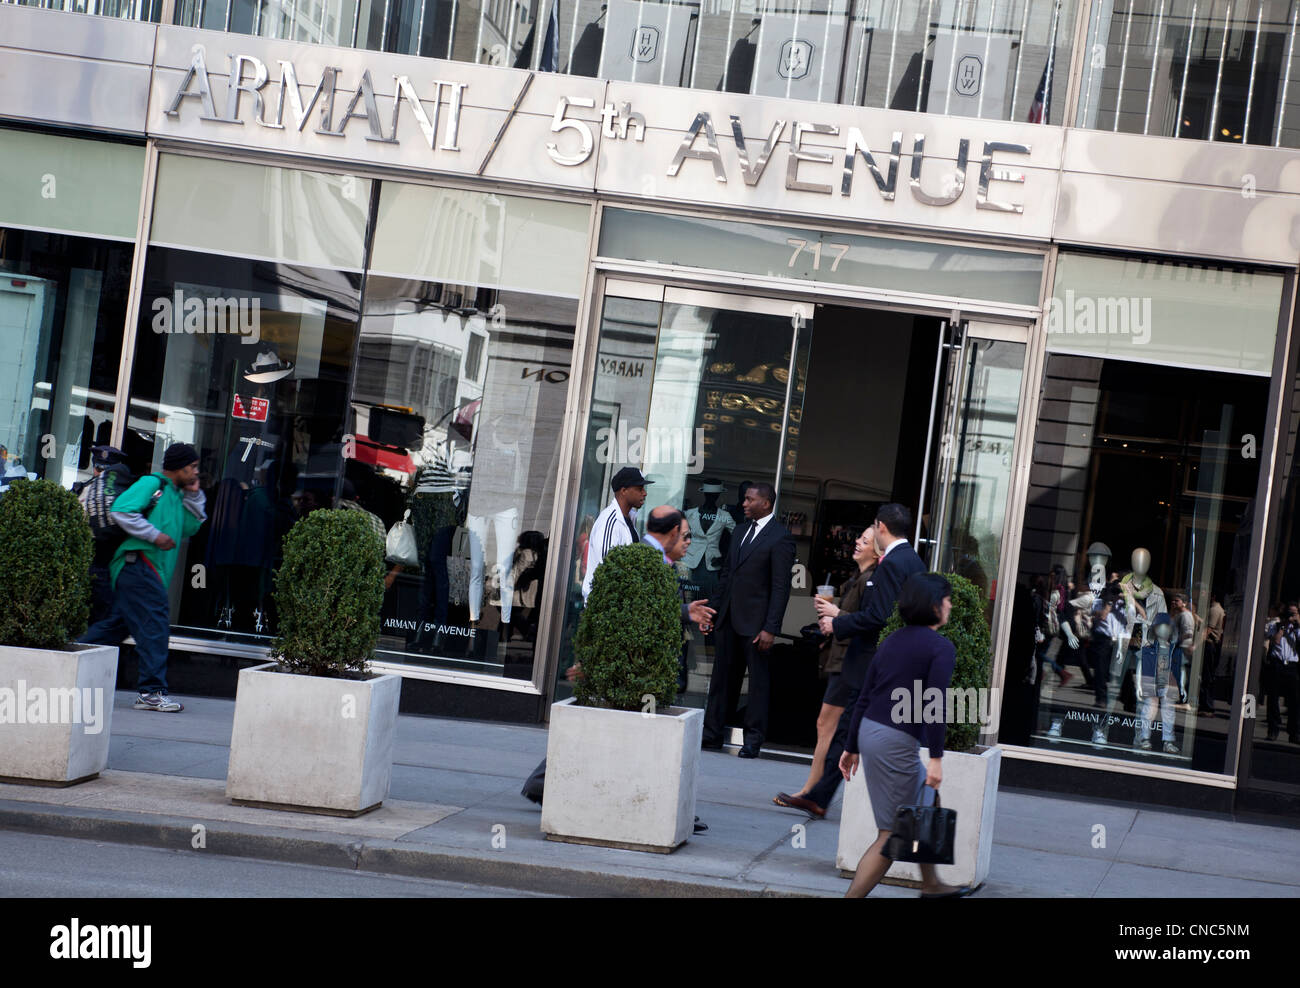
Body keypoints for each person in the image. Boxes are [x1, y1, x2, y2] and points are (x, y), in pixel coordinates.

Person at [780, 503, 925, 817]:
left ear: (881, 527)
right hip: (891, 659)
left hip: (870, 660)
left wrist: (838, 623)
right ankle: (819, 794)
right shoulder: (914, 561)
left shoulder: (891, 564)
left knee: (849, 728)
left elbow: (879, 616)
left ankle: (823, 796)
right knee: (851, 729)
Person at [838, 572, 971, 899]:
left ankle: (931, 884)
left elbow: (865, 696)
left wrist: (852, 746)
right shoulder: (940, 648)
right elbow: (936, 705)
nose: (951, 605)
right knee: (891, 833)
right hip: (894, 741)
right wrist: (937, 760)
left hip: (873, 732)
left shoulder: (892, 640)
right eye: (947, 599)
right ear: (934, 605)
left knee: (927, 802)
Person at [81, 443, 207, 713]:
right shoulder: (152, 483)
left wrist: (195, 497)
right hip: (137, 564)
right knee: (155, 625)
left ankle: (67, 660)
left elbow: (190, 526)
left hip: (143, 569)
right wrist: (154, 535)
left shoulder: (175, 494)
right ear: (180, 466)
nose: (197, 472)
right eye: (193, 467)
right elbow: (122, 510)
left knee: (113, 628)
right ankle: (152, 691)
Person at [774, 526, 879, 809]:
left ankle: (812, 791)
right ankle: (814, 791)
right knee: (828, 726)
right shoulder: (861, 577)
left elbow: (870, 621)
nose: (856, 541)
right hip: (842, 657)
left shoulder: (872, 580)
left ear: (877, 550)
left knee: (828, 725)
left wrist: (836, 615)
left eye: (865, 540)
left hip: (849, 661)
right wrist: (831, 625)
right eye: (859, 537)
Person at [701, 482, 795, 757]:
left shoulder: (781, 538)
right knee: (721, 680)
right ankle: (712, 735)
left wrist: (771, 628)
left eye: (749, 499)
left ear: (765, 503)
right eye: (744, 499)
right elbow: (727, 575)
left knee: (757, 684)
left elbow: (781, 587)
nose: (743, 503)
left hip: (756, 625)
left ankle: (752, 740)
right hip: (728, 618)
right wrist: (713, 611)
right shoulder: (740, 531)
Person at [580, 466, 651, 602]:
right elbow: (606, 570)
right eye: (639, 488)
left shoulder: (629, 518)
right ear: (624, 491)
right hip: (603, 607)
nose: (644, 493)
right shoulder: (610, 522)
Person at [1263, 602, 1300, 743]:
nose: (1293, 616)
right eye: (1290, 613)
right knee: (1273, 698)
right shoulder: (1276, 625)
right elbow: (1276, 641)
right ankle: (1273, 729)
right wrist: (1284, 626)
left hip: (1291, 665)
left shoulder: (1297, 629)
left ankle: (1294, 733)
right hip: (1277, 664)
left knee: (1294, 701)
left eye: (1295, 613)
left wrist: (1297, 626)